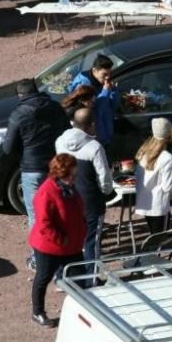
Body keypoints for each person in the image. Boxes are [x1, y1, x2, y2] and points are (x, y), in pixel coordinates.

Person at [1, 79, 69, 233]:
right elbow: (67, 131)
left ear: (20, 95)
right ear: (36, 90)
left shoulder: (18, 114)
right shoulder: (55, 107)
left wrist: (22, 156)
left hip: (32, 169)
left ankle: (38, 255)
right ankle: (61, 250)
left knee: (36, 214)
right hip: (55, 166)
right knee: (57, 210)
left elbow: (8, 148)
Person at [28, 153, 86, 327]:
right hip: (50, 247)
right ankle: (38, 312)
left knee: (80, 278)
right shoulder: (46, 192)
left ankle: (81, 312)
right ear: (59, 174)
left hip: (71, 245)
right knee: (43, 278)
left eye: (74, 175)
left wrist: (82, 228)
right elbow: (44, 224)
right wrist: (62, 240)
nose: (73, 178)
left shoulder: (68, 187)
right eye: (70, 175)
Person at [54, 109, 113, 270]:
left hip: (68, 198)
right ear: (91, 125)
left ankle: (67, 278)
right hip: (90, 201)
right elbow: (105, 180)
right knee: (91, 242)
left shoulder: (60, 142)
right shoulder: (94, 147)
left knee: (71, 240)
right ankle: (91, 281)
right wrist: (106, 191)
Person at [133, 118, 172, 234]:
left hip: (144, 202)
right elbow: (168, 187)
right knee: (160, 239)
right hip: (158, 205)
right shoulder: (167, 157)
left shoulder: (144, 151)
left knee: (154, 235)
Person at [67, 55, 119, 147]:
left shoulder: (102, 83)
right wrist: (106, 91)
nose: (108, 77)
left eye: (109, 73)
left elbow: (113, 105)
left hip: (106, 131)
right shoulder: (84, 86)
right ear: (94, 70)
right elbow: (95, 113)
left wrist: (112, 90)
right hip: (97, 139)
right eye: (104, 74)